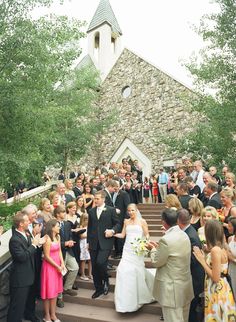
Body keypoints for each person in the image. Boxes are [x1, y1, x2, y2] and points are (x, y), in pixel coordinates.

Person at [147, 208, 194, 322]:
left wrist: (153, 250)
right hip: (185, 285)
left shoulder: (166, 239)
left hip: (171, 290)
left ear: (163, 222)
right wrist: (160, 248)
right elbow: (174, 254)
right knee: (184, 318)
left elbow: (156, 262)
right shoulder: (184, 234)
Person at [114, 203, 154, 312]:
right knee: (122, 271)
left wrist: (144, 244)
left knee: (136, 272)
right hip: (127, 250)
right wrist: (112, 234)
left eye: (132, 210)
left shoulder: (142, 222)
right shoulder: (126, 222)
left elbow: (147, 235)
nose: (130, 212)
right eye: (129, 211)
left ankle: (139, 296)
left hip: (137, 250)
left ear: (136, 210)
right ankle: (123, 302)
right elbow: (122, 235)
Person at [193, 220, 236, 321]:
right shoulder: (221, 247)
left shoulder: (215, 250)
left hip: (217, 290)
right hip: (222, 288)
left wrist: (202, 260)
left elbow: (216, 278)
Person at [7, 211, 43, 322]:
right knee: (16, 308)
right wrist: (33, 244)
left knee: (24, 305)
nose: (29, 222)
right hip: (20, 279)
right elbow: (22, 257)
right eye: (27, 221)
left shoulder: (26, 233)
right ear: (21, 224)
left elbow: (30, 251)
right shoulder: (14, 240)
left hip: (28, 276)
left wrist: (38, 243)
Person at [87, 190, 121, 299]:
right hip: (93, 242)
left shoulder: (111, 210)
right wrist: (88, 242)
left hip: (106, 242)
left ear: (103, 199)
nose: (95, 200)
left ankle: (105, 279)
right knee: (95, 266)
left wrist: (112, 231)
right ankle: (98, 289)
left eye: (97, 198)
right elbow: (90, 227)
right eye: (94, 198)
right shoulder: (91, 211)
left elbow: (118, 224)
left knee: (100, 262)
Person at [177, 209, 205, 322]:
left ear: (178, 221)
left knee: (192, 307)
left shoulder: (191, 236)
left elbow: (192, 260)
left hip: (194, 277)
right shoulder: (188, 231)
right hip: (192, 275)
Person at [41, 219, 64, 322]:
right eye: (58, 226)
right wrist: (57, 266)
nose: (59, 227)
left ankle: (53, 314)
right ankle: (47, 316)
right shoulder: (47, 239)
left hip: (57, 267)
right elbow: (46, 256)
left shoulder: (58, 236)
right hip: (49, 267)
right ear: (52, 227)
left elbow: (59, 251)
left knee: (54, 291)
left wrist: (62, 263)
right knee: (48, 292)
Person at [79, 213, 92, 280]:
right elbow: (81, 236)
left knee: (90, 259)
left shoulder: (90, 226)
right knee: (83, 259)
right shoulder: (81, 226)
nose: (87, 221)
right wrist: (90, 235)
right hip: (83, 243)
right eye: (86, 219)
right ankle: (83, 274)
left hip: (89, 243)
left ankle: (90, 274)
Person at [227, 216, 236, 299]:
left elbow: (229, 255)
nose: (228, 227)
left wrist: (232, 258)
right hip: (230, 270)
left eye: (229, 226)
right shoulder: (230, 239)